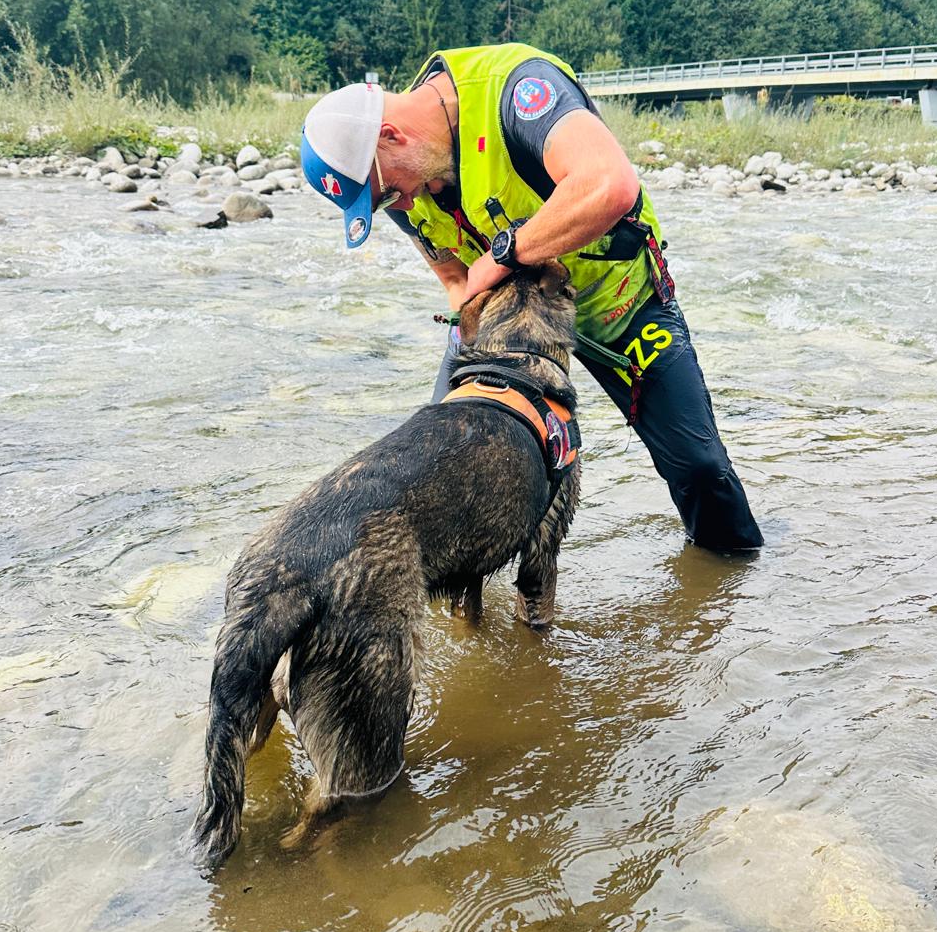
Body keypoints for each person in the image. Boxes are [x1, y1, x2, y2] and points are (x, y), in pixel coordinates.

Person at [299, 43, 762, 554]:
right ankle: (463, 592)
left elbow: (609, 184)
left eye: (387, 194)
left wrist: (504, 254)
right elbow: (456, 282)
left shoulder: (518, 91)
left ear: (391, 135)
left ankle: (730, 573)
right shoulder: (402, 175)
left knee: (701, 469)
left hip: (617, 306)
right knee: (440, 465)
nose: (402, 206)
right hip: (506, 324)